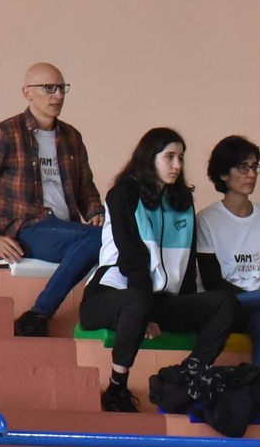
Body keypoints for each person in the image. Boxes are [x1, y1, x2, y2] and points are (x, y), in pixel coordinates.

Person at [78, 128, 241, 413]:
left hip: (158, 301)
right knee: (138, 302)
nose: (177, 165)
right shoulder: (123, 193)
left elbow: (187, 267)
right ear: (149, 158)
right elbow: (132, 259)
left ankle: (191, 373)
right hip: (112, 296)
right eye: (169, 157)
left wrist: (184, 309)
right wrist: (146, 314)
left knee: (224, 302)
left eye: (180, 158)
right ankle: (117, 387)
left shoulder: (183, 201)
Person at [0, 62, 104, 338]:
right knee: (97, 239)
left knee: (111, 237)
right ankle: (39, 313)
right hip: (24, 229)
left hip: (65, 229)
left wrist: (96, 211)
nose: (57, 95)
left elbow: (86, 190)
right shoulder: (6, 133)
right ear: (27, 93)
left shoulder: (72, 137)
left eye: (62, 88)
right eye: (49, 88)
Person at [195, 135, 260, 370]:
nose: (252, 173)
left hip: (259, 306)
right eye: (243, 167)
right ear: (224, 174)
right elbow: (212, 282)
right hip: (222, 303)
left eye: (255, 166)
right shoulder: (206, 220)